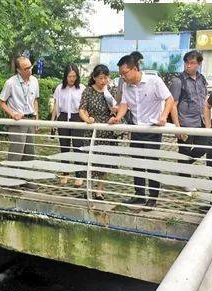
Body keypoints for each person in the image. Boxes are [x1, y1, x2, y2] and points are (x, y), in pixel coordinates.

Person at [110, 54, 174, 209]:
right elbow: (124, 104)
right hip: (136, 129)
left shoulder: (154, 81)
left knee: (151, 163)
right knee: (137, 163)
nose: (123, 77)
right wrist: (118, 118)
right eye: (121, 74)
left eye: (125, 73)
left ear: (135, 69)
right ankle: (139, 195)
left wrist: (164, 116)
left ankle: (153, 197)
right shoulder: (126, 86)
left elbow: (169, 99)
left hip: (152, 129)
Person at [78, 64, 118, 200]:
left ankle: (100, 190)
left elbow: (116, 108)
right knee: (90, 161)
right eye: (100, 78)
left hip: (107, 132)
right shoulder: (88, 91)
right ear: (94, 78)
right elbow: (82, 109)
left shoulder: (109, 91)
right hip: (92, 132)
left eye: (105, 78)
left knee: (105, 162)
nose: (103, 81)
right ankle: (88, 188)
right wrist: (87, 119)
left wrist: (115, 114)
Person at [170, 50, 208, 187]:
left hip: (200, 121)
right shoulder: (178, 81)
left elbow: (205, 102)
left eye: (192, 63)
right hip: (185, 122)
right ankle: (186, 181)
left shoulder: (202, 79)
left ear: (199, 64)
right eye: (187, 62)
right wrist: (177, 127)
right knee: (184, 151)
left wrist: (208, 124)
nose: (188, 65)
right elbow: (172, 105)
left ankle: (183, 166)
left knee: (204, 146)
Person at [50, 64, 86, 187]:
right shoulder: (60, 88)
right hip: (63, 117)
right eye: (69, 76)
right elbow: (55, 106)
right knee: (64, 146)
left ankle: (80, 175)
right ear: (65, 76)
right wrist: (52, 121)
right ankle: (65, 173)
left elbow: (85, 107)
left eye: (74, 76)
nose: (72, 79)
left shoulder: (81, 88)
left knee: (78, 147)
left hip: (77, 118)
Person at [0, 56, 40, 163]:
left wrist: (37, 118)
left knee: (30, 154)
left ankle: (26, 178)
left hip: (30, 119)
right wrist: (13, 114)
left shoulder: (34, 81)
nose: (30, 70)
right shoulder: (10, 83)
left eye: (30, 67)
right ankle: (12, 178)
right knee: (16, 153)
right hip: (18, 122)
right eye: (26, 69)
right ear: (18, 70)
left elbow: (35, 100)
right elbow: (2, 102)